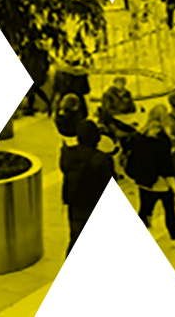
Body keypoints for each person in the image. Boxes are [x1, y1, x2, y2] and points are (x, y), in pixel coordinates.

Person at [60, 120, 124, 298]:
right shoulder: (102, 159)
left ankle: (69, 283)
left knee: (74, 244)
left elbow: (64, 169)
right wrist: (118, 212)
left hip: (75, 207)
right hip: (97, 207)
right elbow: (111, 189)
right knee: (105, 244)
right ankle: (109, 280)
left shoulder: (68, 154)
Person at [123, 105, 175, 248]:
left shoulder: (139, 135)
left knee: (144, 208)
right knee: (169, 208)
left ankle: (138, 235)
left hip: (143, 179)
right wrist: (174, 185)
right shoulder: (161, 139)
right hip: (158, 181)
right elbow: (165, 165)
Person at [114, 218, 160, 313]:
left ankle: (126, 299)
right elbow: (149, 263)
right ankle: (139, 305)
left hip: (129, 272)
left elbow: (121, 238)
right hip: (143, 275)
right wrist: (155, 274)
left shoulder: (128, 246)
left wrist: (117, 227)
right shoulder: (145, 249)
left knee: (129, 290)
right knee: (142, 292)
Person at [17, 30, 51, 116]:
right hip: (38, 71)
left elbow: (25, 60)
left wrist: (22, 70)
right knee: (34, 90)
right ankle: (36, 107)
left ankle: (33, 108)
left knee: (33, 90)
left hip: (33, 70)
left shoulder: (29, 47)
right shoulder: (41, 47)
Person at [53, 49, 91, 119]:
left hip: (63, 103)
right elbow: (86, 90)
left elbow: (55, 88)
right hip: (79, 104)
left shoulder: (59, 73)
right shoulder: (81, 75)